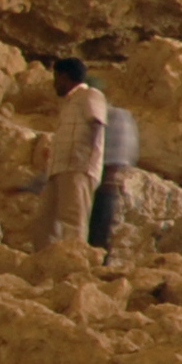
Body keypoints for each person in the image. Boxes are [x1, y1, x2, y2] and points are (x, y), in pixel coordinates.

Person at [41, 57, 139, 253]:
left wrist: (86, 157)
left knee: (73, 220)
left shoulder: (90, 95)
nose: (54, 83)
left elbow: (97, 125)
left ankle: (74, 263)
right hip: (62, 168)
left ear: (64, 76)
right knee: (46, 221)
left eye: (56, 77)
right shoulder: (70, 103)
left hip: (79, 168)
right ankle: (46, 264)